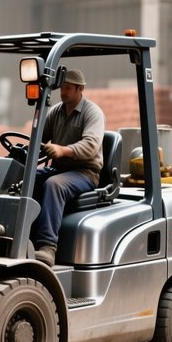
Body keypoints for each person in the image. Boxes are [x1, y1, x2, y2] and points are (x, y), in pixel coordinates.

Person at [31, 68, 105, 266]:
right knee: (26, 180)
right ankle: (22, 236)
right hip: (61, 169)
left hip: (85, 172)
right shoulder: (56, 111)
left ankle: (47, 247)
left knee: (54, 185)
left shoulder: (92, 113)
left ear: (80, 89)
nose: (63, 92)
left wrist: (62, 150)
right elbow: (40, 138)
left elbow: (90, 145)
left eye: (67, 88)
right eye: (61, 88)